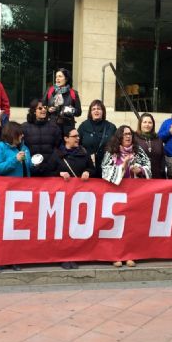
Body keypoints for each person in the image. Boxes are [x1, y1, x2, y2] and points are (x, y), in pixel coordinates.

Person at [101, 125, 151, 269]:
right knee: (115, 226)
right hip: (116, 195)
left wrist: (140, 169)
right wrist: (122, 166)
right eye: (124, 135)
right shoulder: (112, 151)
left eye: (129, 134)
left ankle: (130, 255)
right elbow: (105, 170)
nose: (128, 137)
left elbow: (148, 165)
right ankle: (115, 256)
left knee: (131, 226)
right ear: (119, 137)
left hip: (134, 194)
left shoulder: (138, 150)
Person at [44, 128, 95, 270]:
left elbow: (93, 170)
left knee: (75, 228)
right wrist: (59, 173)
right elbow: (47, 172)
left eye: (78, 136)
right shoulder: (57, 155)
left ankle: (75, 255)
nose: (77, 138)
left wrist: (87, 172)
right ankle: (63, 257)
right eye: (74, 136)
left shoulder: (83, 153)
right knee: (63, 228)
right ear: (66, 139)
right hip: (61, 199)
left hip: (79, 198)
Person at [0, 121, 32, 272]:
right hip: (4, 193)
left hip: (21, 193)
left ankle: (13, 258)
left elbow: (29, 166)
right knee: (1, 228)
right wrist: (15, 160)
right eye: (19, 133)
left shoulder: (23, 147)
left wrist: (32, 162)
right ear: (11, 134)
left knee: (16, 228)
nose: (22, 136)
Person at [21, 98, 62, 176]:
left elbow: (59, 148)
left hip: (50, 170)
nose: (43, 110)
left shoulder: (54, 127)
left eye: (45, 107)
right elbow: (21, 148)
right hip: (30, 170)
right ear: (33, 111)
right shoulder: (24, 127)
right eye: (40, 108)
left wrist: (51, 163)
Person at [78, 99, 116, 176]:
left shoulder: (111, 127)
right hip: (88, 167)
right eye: (93, 109)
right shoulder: (84, 126)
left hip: (106, 167)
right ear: (90, 112)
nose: (96, 111)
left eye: (99, 109)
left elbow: (117, 145)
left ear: (103, 111)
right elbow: (77, 145)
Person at [43, 68, 82, 135]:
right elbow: (42, 106)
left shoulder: (73, 93)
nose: (57, 78)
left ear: (66, 79)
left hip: (68, 129)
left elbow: (78, 112)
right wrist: (48, 109)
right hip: (52, 127)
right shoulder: (50, 90)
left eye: (60, 76)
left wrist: (69, 110)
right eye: (56, 76)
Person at [134, 113, 165, 179]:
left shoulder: (158, 139)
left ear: (153, 125)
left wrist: (162, 171)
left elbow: (162, 157)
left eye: (150, 122)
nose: (147, 125)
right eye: (144, 122)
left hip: (157, 176)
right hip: (140, 177)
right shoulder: (134, 138)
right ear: (140, 124)